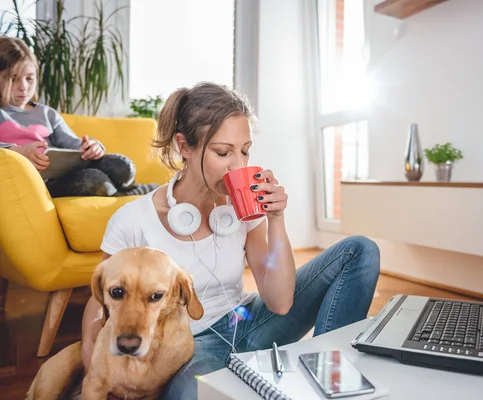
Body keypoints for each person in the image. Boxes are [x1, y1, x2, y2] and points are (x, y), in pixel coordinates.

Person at [81, 81, 381, 399]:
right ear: (184, 147)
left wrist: (275, 219)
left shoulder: (241, 210)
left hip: (248, 321)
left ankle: (330, 378)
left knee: (360, 250)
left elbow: (280, 302)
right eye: (223, 152)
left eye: (245, 151)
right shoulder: (133, 220)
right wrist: (93, 362)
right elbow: (99, 301)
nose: (238, 165)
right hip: (188, 346)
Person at [0, 37, 157, 197]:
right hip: (42, 183)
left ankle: (131, 194)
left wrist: (91, 147)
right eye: (13, 79)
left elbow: (73, 145)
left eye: (29, 78)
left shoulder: (47, 113)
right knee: (94, 180)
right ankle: (138, 195)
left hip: (65, 174)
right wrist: (17, 151)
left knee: (123, 166)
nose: (23, 87)